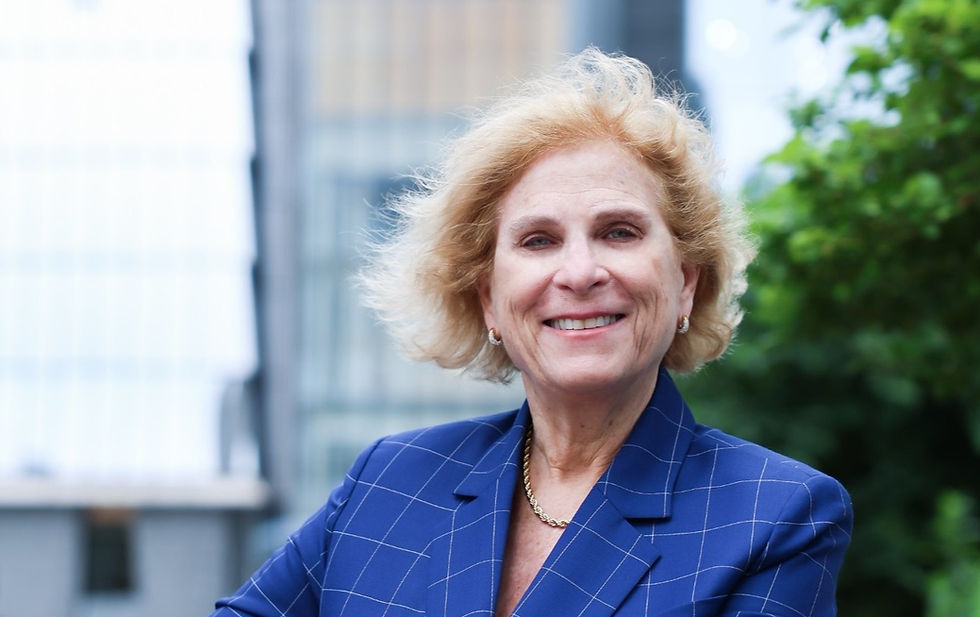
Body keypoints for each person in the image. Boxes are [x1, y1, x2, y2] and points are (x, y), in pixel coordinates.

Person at [211, 48, 852, 617]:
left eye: (619, 232)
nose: (579, 272)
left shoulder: (776, 514)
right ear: (488, 299)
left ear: (686, 282)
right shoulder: (389, 479)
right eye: (538, 240)